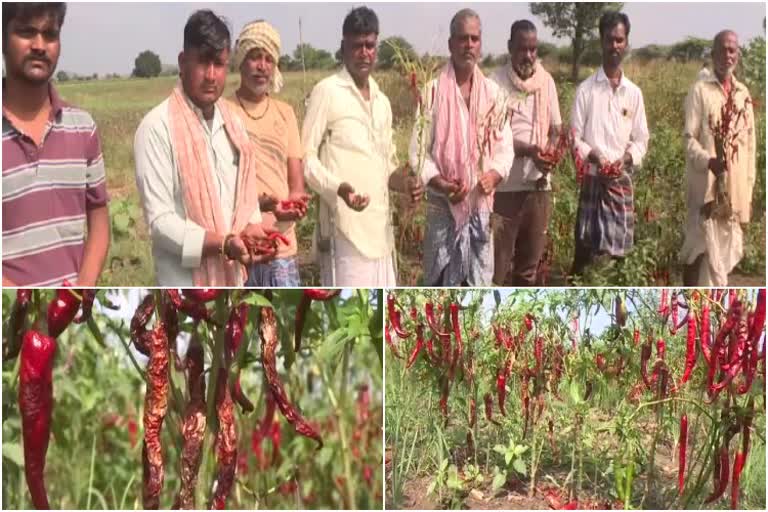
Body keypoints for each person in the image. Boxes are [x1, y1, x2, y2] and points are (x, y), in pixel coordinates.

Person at [134, 9, 274, 286]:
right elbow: (161, 224)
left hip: (233, 282)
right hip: (186, 287)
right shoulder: (156, 128)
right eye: (202, 63)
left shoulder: (234, 124)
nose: (211, 75)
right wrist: (222, 244)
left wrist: (253, 229)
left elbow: (245, 202)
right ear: (183, 62)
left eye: (219, 64)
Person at [302, 6, 421, 286]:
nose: (364, 52)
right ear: (344, 47)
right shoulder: (327, 92)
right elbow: (305, 158)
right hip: (344, 229)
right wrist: (338, 188)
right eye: (357, 46)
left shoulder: (382, 101)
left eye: (370, 45)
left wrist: (406, 182)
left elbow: (387, 164)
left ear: (376, 47)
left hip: (381, 230)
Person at [2, 2, 110, 286]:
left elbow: (99, 220)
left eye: (50, 34)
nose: (39, 45)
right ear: (3, 40)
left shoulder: (82, 127)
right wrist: (20, 304)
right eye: (26, 32)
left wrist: (80, 291)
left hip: (67, 314)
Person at [409, 8, 514, 286]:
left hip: (480, 208)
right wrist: (442, 184)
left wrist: (493, 176)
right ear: (450, 44)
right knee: (440, 286)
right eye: (462, 38)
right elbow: (417, 152)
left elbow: (505, 150)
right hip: (442, 208)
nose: (468, 45)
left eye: (474, 39)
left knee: (476, 287)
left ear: (480, 44)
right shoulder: (432, 91)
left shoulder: (493, 94)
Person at [228, 20, 310, 286]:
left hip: (280, 246)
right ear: (241, 61)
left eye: (268, 59)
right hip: (241, 245)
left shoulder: (285, 113)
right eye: (254, 57)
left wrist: (294, 206)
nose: (262, 66)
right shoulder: (223, 111)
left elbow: (296, 184)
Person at [570, 11, 649, 277]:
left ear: (626, 43)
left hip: (620, 183)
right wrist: (596, 157)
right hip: (594, 180)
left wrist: (624, 160)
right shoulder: (586, 90)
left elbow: (641, 140)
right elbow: (575, 137)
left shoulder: (634, 93)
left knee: (618, 258)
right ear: (601, 42)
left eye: (619, 40)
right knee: (586, 252)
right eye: (609, 40)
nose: (614, 46)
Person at [680, 30, 755, 286]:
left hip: (732, 195)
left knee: (722, 261)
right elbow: (689, 139)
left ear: (738, 55)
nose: (727, 55)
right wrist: (709, 161)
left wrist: (748, 192)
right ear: (712, 54)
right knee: (698, 254)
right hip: (705, 193)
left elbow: (749, 149)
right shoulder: (699, 91)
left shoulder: (743, 95)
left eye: (732, 50)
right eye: (722, 49)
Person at [490, 20, 561, 286]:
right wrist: (530, 150)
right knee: (497, 269)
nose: (528, 56)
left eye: (533, 49)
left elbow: (556, 129)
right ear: (510, 48)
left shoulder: (547, 82)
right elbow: (495, 135)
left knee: (527, 270)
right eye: (522, 49)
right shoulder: (495, 83)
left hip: (538, 188)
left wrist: (549, 155)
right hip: (505, 188)